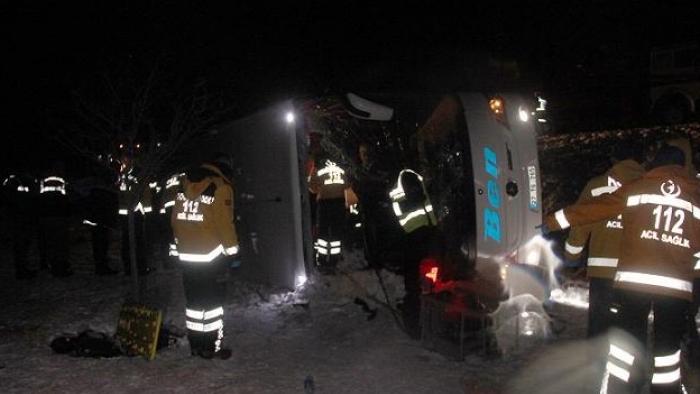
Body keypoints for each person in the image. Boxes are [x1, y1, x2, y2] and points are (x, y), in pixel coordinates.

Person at [542, 145, 700, 394]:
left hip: (632, 285)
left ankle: (619, 389)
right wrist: (692, 274)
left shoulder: (637, 188)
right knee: (667, 355)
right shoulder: (696, 199)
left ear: (656, 166)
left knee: (625, 348)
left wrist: (552, 222)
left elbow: (593, 209)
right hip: (675, 290)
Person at [562, 143, 645, 338]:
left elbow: (581, 222)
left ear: (613, 160)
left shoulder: (597, 186)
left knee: (600, 326)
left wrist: (572, 258)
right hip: (638, 272)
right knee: (632, 328)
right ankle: (632, 365)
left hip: (603, 273)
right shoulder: (649, 186)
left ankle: (598, 363)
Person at [171, 153, 239, 360]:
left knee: (194, 302)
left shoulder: (184, 186)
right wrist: (233, 254)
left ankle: (196, 345)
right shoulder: (220, 188)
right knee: (212, 305)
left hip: (187, 256)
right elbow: (225, 225)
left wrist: (178, 247)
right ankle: (212, 347)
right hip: (211, 257)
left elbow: (174, 220)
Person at [389, 168, 439, 339]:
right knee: (417, 284)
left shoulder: (409, 177)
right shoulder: (408, 177)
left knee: (420, 283)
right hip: (419, 236)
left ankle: (420, 323)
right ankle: (417, 323)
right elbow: (407, 205)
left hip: (421, 236)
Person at [308, 153, 351, 273]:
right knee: (336, 232)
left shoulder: (318, 170)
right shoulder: (341, 170)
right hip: (339, 204)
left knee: (323, 233)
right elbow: (346, 187)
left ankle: (322, 260)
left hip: (325, 205)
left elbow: (312, 188)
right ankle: (333, 261)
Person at [37, 160, 74, 277]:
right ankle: (60, 267)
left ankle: (52, 265)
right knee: (60, 243)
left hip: (46, 215)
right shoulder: (61, 180)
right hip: (59, 215)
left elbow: (39, 197)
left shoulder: (43, 180)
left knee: (51, 242)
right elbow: (67, 198)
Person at [117, 156, 153, 276]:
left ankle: (131, 268)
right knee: (138, 242)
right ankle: (140, 268)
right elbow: (145, 193)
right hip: (135, 212)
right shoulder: (136, 174)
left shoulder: (122, 174)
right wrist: (147, 211)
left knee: (128, 242)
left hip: (127, 213)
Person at [2, 173, 40, 279]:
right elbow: (9, 199)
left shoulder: (24, 180)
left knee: (24, 244)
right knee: (21, 245)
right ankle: (21, 271)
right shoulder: (13, 181)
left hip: (23, 216)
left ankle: (23, 269)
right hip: (18, 217)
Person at [85, 167, 119, 276]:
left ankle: (101, 267)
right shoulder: (105, 191)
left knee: (99, 245)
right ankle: (102, 268)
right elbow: (108, 208)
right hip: (102, 222)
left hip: (98, 222)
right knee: (101, 245)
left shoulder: (95, 191)